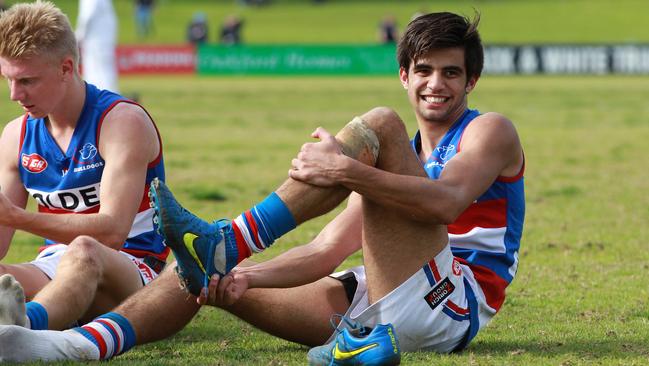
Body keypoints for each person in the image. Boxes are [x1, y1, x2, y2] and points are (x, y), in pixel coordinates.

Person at [0, 11, 525, 363]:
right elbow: (325, 249)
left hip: (449, 302)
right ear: (404, 74)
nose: (437, 84)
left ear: (471, 81)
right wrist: (244, 278)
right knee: (201, 276)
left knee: (380, 123)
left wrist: (345, 171)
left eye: (452, 73)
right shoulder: (397, 163)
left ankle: (227, 240)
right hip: (379, 302)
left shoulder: (488, 130)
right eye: (425, 71)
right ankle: (67, 347)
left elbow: (448, 202)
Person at [0, 1, 167, 333]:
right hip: (54, 268)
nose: (14, 94)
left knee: (85, 249)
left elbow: (112, 233)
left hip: (132, 270)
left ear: (66, 67)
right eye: (8, 79)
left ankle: (25, 328)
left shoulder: (122, 122)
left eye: (27, 81)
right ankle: (26, 320)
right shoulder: (15, 135)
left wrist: (18, 217)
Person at [76, 0, 119, 93]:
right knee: (105, 73)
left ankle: (104, 101)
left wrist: (79, 37)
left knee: (97, 74)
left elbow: (87, 15)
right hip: (103, 41)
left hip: (96, 42)